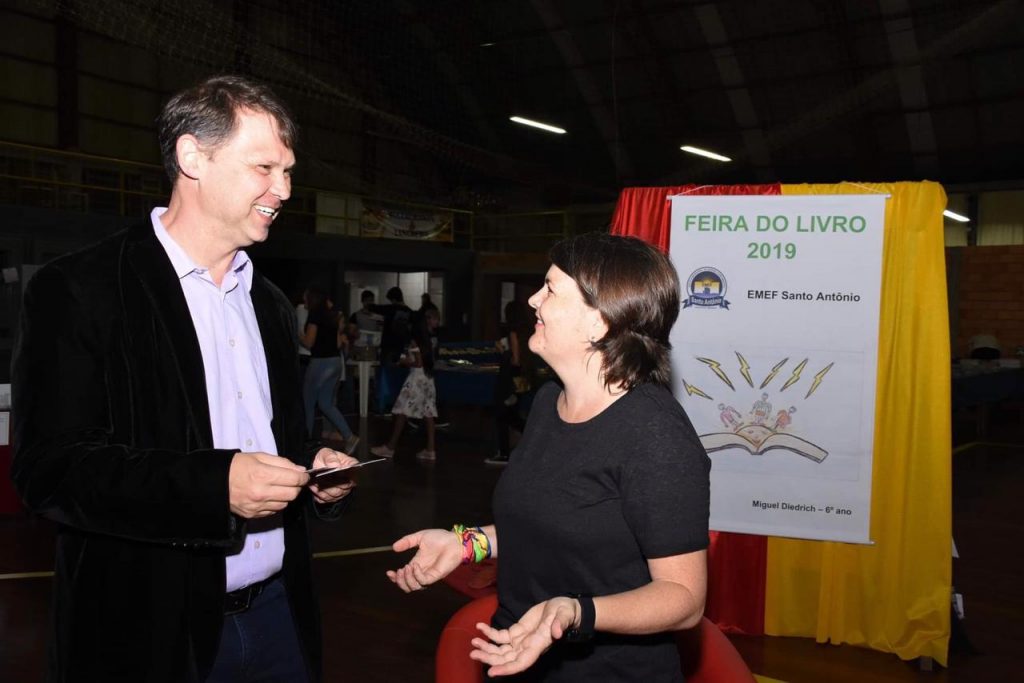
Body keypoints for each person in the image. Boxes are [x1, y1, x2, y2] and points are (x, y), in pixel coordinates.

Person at [10, 75, 359, 683]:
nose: (283, 190)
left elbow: (268, 441)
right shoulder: (80, 289)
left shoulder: (269, 304)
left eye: (287, 172)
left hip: (279, 617)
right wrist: (215, 486)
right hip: (148, 631)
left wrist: (312, 470)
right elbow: (51, 470)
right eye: (264, 168)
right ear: (192, 156)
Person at [386, 232, 710, 681]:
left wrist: (577, 612)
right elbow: (547, 523)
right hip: (515, 656)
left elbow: (684, 598)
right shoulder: (547, 402)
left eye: (551, 289)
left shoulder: (656, 436)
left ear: (599, 323)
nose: (533, 300)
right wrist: (465, 544)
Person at [371, 307, 441, 461]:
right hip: (428, 378)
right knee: (428, 413)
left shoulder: (416, 339)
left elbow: (417, 362)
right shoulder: (430, 339)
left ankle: (390, 447)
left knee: (402, 411)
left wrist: (402, 361)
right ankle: (430, 449)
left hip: (416, 379)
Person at [301, 285, 358, 453]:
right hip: (335, 362)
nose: (303, 300)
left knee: (308, 403)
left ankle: (306, 442)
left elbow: (309, 342)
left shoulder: (314, 315)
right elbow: (338, 343)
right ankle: (349, 436)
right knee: (326, 403)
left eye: (306, 297)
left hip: (320, 362)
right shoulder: (332, 316)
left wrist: (296, 335)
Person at [485, 299, 537, 466]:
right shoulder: (528, 331)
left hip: (510, 380)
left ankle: (504, 453)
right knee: (512, 415)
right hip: (523, 379)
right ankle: (532, 441)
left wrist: (502, 351)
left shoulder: (513, 332)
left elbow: (515, 360)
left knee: (503, 414)